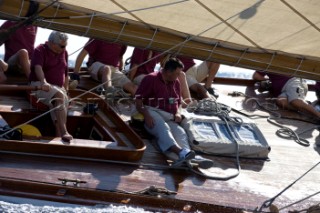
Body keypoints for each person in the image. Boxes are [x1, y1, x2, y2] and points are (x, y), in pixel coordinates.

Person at [135, 57, 195, 164]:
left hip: (169, 115)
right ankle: (180, 152)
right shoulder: (150, 79)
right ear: (168, 71)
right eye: (177, 73)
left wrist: (178, 112)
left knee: (180, 133)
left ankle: (187, 158)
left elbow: (179, 101)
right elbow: (138, 101)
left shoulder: (175, 81)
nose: (178, 76)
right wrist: (147, 116)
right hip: (152, 110)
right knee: (164, 129)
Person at [29, 31, 72, 142]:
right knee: (58, 95)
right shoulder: (40, 50)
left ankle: (58, 139)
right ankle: (64, 132)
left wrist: (67, 91)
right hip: (40, 85)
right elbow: (38, 67)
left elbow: (65, 74)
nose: (64, 48)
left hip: (59, 88)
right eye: (62, 46)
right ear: (52, 43)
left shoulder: (64, 52)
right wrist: (43, 82)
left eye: (65, 46)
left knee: (61, 98)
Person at [252, 71, 320, 120]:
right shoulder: (268, 62)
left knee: (295, 101)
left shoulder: (283, 60)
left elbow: (256, 76)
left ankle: (318, 114)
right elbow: (256, 76)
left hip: (295, 82)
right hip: (283, 90)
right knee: (281, 101)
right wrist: (270, 81)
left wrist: (269, 80)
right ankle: (308, 109)